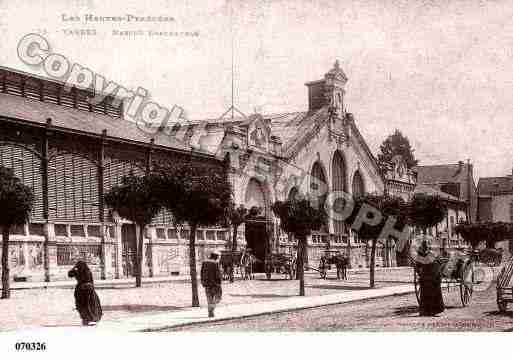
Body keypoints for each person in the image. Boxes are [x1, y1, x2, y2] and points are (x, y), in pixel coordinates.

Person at [412, 238, 444, 316]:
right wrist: (419, 272)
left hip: (432, 278)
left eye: (426, 246)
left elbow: (438, 264)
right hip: (427, 278)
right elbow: (417, 265)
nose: (425, 247)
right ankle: (426, 311)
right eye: (424, 246)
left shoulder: (433, 254)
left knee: (432, 294)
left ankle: (433, 310)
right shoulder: (422, 255)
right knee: (425, 294)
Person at [68, 261, 103, 326]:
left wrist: (74, 268)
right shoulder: (88, 271)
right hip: (88, 289)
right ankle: (91, 319)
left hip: (81, 290)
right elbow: (91, 282)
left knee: (82, 305)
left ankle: (87, 319)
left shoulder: (77, 272)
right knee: (90, 305)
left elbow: (69, 274)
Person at [201, 251, 222, 318]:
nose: (218, 258)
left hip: (206, 284)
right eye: (218, 257)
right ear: (216, 257)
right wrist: (219, 283)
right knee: (218, 297)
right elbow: (218, 275)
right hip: (215, 284)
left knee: (209, 298)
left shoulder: (204, 262)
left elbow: (201, 273)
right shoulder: (216, 263)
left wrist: (203, 282)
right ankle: (211, 310)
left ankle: (210, 312)